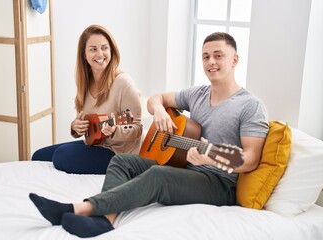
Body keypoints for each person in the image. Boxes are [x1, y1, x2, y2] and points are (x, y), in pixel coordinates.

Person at [29, 32, 269, 238]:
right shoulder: (198, 94)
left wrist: (211, 158)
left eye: (218, 55)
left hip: (218, 183)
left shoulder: (250, 105)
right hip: (186, 168)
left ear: (235, 59)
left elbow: (251, 159)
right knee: (122, 160)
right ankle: (106, 219)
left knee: (158, 175)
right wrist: (160, 112)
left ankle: (78, 208)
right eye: (206, 56)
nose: (211, 62)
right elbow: (156, 99)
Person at [31, 24, 143, 174]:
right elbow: (86, 121)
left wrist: (115, 131)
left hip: (118, 153)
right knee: (38, 156)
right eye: (93, 49)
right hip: (96, 145)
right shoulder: (86, 81)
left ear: (111, 50)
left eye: (104, 48)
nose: (100, 54)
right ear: (84, 54)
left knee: (61, 156)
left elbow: (137, 128)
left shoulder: (123, 83)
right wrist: (75, 127)